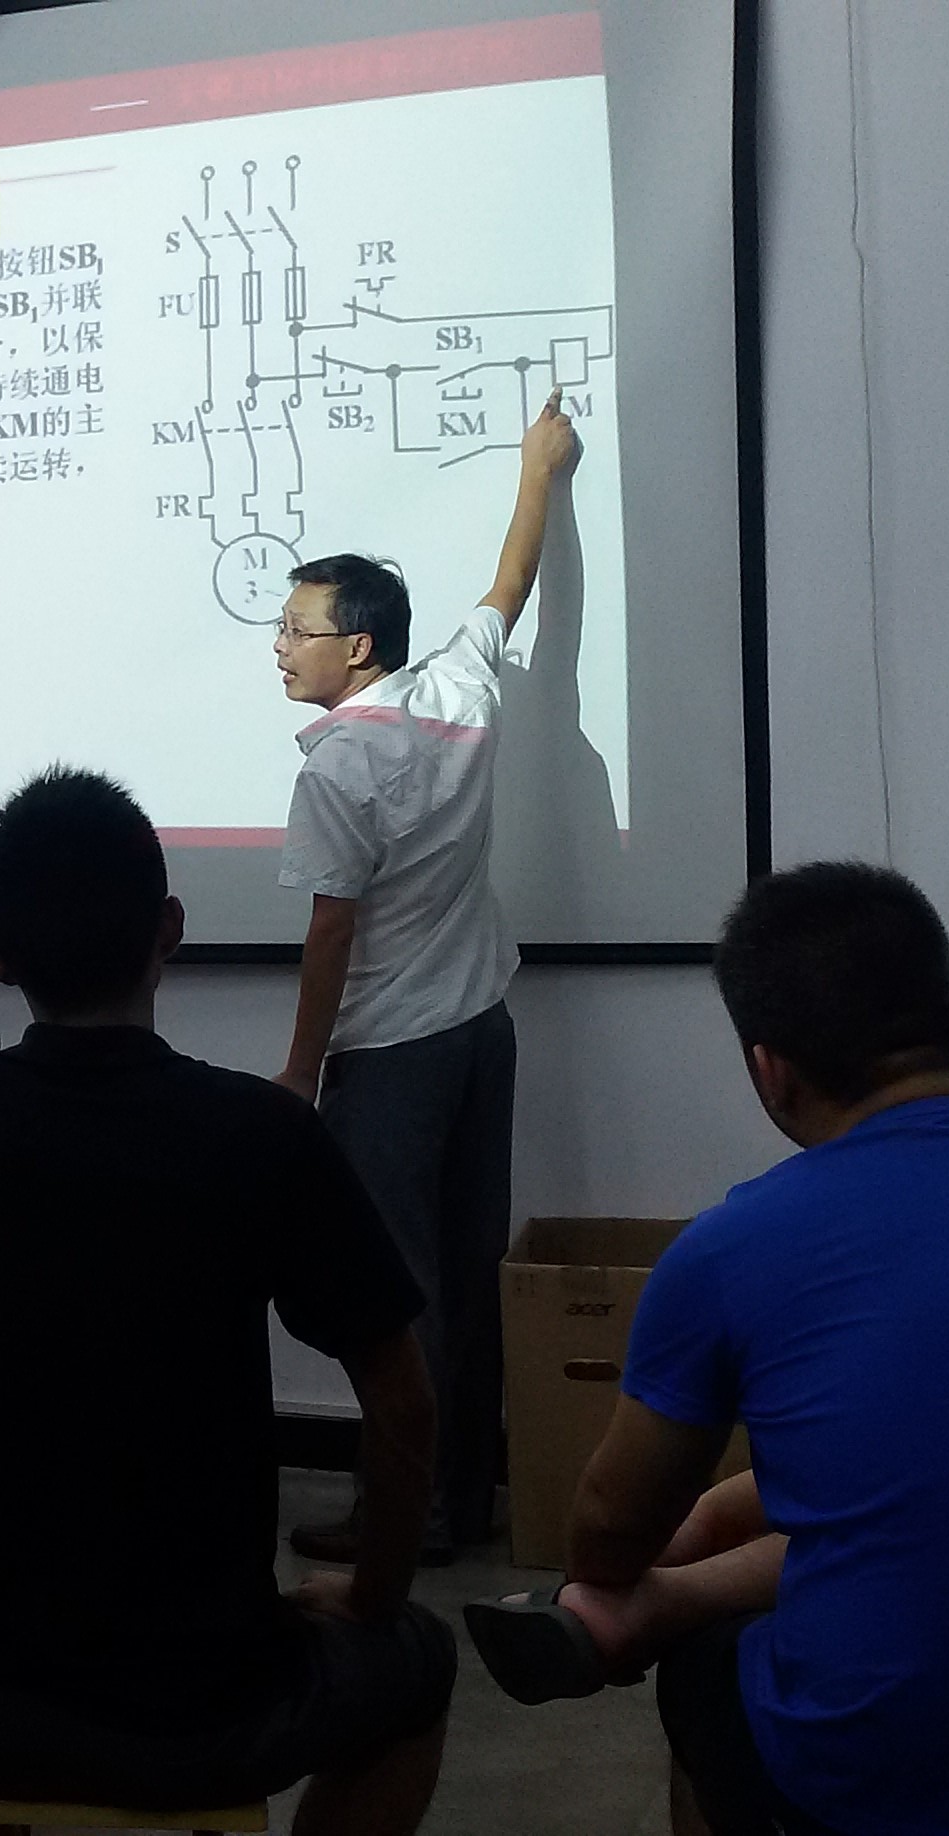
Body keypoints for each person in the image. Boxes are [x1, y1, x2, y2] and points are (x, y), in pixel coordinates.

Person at [463, 863, 949, 1836]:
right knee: (914, 1540)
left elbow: (607, 1522)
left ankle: (652, 1618)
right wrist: (714, 1517)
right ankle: (663, 1603)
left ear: (769, 1071)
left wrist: (604, 1578)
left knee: (709, 1676)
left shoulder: (732, 1250)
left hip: (907, 1795)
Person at [0, 769, 452, 1834]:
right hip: (208, 1709)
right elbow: (402, 1400)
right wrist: (371, 1595)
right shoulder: (261, 1135)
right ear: (169, 927)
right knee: (420, 1661)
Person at [274, 393, 579, 1562]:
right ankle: (460, 1499)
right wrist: (539, 470)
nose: (280, 645)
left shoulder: (342, 766)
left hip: (395, 1053)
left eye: (298, 629)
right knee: (464, 1267)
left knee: (396, 1291)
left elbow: (331, 936)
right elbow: (511, 583)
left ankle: (407, 1518)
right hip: (479, 1032)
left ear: (357, 646)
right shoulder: (455, 690)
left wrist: (301, 1072)